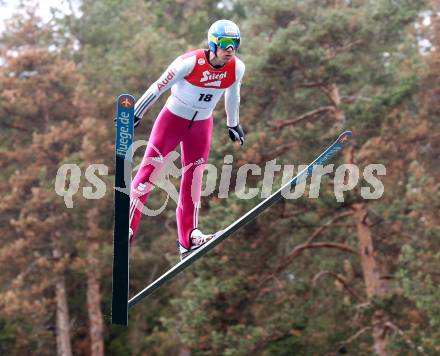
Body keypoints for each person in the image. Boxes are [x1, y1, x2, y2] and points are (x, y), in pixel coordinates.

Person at [129, 19, 245, 259]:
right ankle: (127, 227)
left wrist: (233, 123)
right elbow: (158, 86)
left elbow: (233, 96)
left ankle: (189, 238)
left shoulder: (236, 68)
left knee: (193, 181)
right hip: (173, 120)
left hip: (202, 124)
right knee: (149, 172)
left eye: (234, 44)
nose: (229, 50)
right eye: (225, 44)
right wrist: (137, 112)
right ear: (213, 44)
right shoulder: (189, 62)